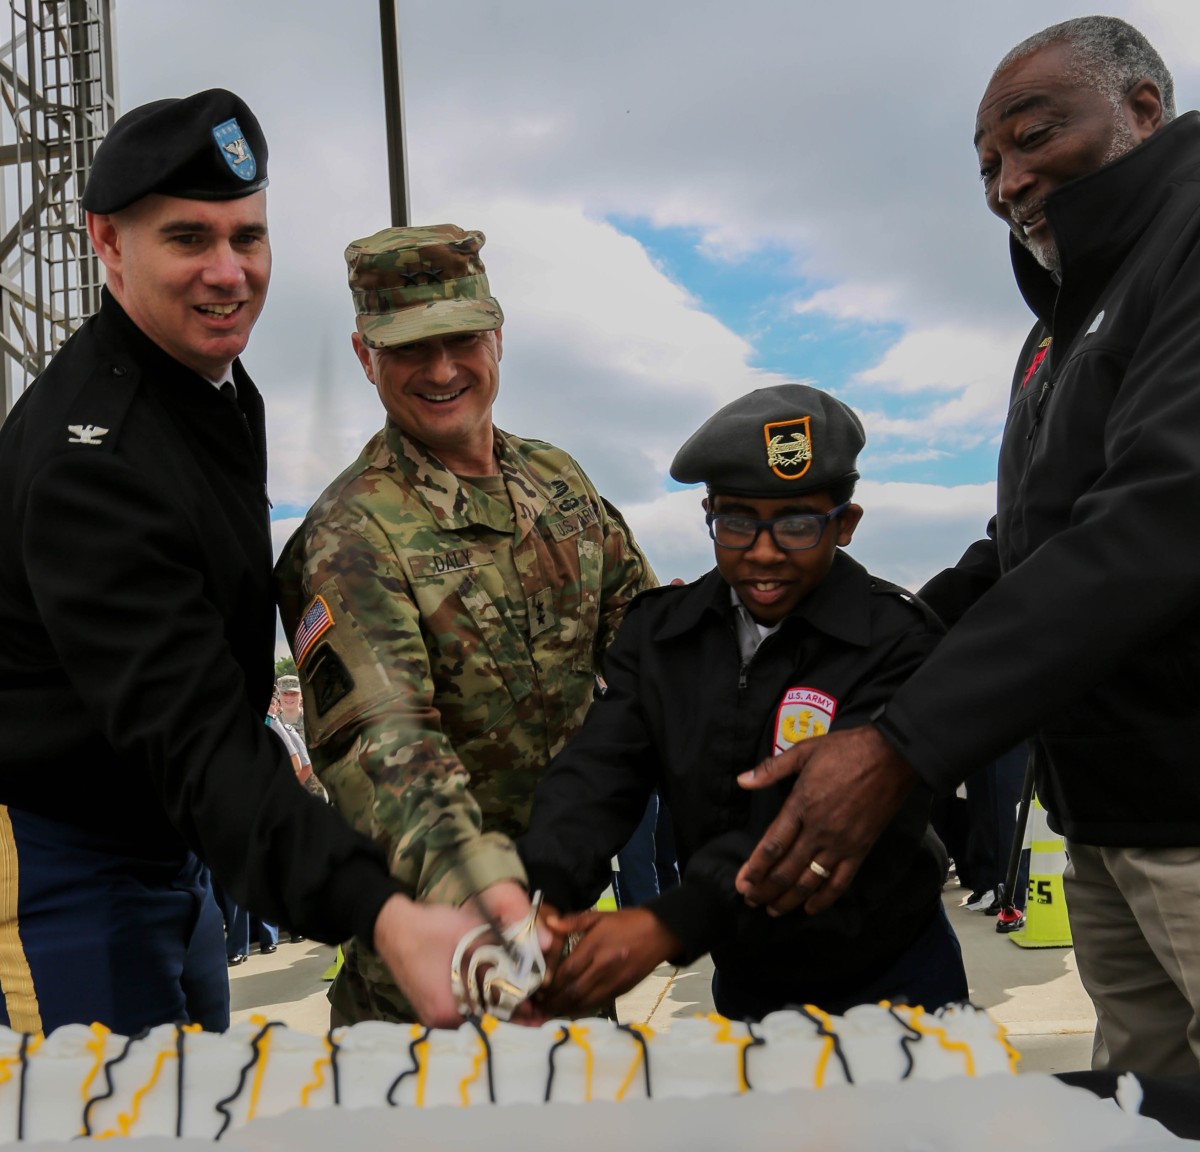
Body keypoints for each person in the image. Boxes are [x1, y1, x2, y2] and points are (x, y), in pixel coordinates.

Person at [734, 16, 1200, 1076]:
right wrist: (868, 650)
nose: (1006, 181)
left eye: (1034, 138)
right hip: (1113, 821)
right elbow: (1022, 545)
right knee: (1146, 1102)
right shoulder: (1056, 328)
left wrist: (901, 746)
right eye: (989, 163)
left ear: (1141, 109)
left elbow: (1155, 520)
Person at [0, 91, 517, 1036]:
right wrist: (384, 913)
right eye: (190, 239)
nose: (229, 273)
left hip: (173, 842)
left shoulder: (214, 387)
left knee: (199, 1100)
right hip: (73, 857)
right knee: (111, 1123)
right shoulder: (93, 464)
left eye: (250, 236)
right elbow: (193, 737)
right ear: (106, 242)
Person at [275, 224, 656, 1024]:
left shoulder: (558, 483)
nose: (443, 370)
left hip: (563, 948)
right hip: (436, 976)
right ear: (363, 354)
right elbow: (386, 749)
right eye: (411, 348)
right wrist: (491, 903)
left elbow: (654, 650)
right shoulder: (352, 534)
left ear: (498, 335)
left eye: (462, 339)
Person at [518, 384, 966, 1020]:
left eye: (797, 525)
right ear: (708, 513)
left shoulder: (897, 641)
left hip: (892, 984)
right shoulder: (662, 636)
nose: (762, 550)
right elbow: (600, 772)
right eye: (735, 521)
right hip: (748, 985)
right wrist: (540, 893)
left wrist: (666, 924)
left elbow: (808, 824)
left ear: (845, 524)